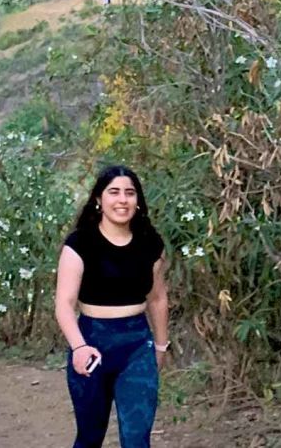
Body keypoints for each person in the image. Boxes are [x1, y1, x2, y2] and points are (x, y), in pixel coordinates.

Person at [54, 165, 169, 448]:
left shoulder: (150, 243)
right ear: (99, 199)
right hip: (92, 341)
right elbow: (64, 304)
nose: (122, 200)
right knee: (90, 437)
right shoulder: (80, 243)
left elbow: (157, 298)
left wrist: (160, 346)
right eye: (114, 192)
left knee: (136, 438)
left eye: (130, 193)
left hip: (137, 345)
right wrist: (79, 347)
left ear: (138, 200)